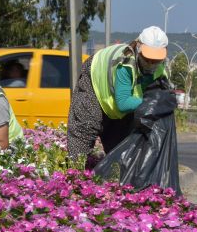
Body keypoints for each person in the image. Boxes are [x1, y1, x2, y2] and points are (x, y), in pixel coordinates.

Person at [68, 26, 169, 160]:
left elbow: (161, 97)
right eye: (147, 58)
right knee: (85, 128)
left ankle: (114, 175)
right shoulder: (125, 65)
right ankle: (75, 175)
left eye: (155, 60)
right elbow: (123, 102)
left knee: (121, 145)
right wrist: (152, 102)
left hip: (116, 101)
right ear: (139, 49)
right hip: (94, 79)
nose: (151, 63)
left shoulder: (160, 71)